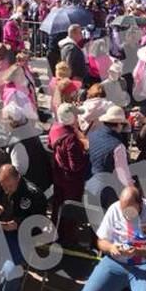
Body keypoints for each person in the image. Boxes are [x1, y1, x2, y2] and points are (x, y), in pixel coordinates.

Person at [48, 103, 89, 242]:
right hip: (71, 181)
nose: (77, 117)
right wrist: (85, 151)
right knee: (71, 209)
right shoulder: (71, 139)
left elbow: (49, 145)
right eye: (76, 115)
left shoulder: (54, 128)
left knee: (57, 206)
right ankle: (68, 238)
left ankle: (55, 232)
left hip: (58, 175)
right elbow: (75, 165)